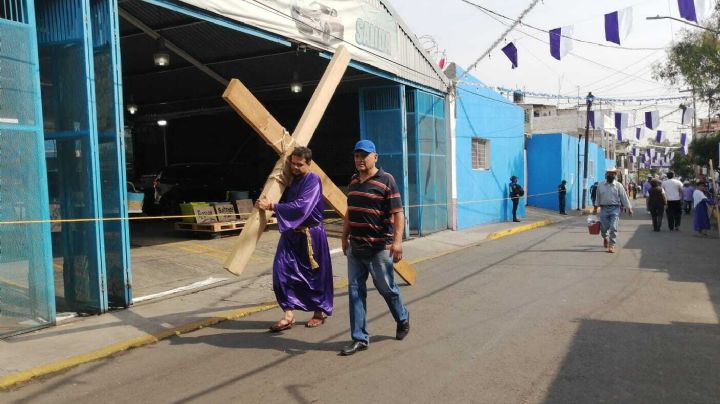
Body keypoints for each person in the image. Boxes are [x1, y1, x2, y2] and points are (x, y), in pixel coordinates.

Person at [340, 140, 409, 356]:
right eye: (356, 156)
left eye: (364, 156)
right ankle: (359, 338)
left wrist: (397, 242)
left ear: (375, 157)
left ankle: (402, 318)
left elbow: (398, 213)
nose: (360, 160)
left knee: (386, 288)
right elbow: (350, 212)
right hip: (356, 248)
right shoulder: (352, 181)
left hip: (379, 249)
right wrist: (344, 237)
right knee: (355, 292)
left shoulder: (387, 180)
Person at [256, 147, 333, 332]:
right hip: (291, 234)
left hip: (312, 235)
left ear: (309, 164)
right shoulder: (292, 180)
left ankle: (318, 312)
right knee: (281, 270)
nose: (295, 167)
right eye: (293, 164)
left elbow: (301, 206)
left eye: (300, 165)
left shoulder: (313, 180)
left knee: (315, 276)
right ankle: (288, 314)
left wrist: (272, 206)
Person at [593, 168, 633, 253]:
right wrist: (595, 208)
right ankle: (605, 238)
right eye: (609, 173)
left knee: (613, 227)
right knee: (603, 228)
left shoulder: (618, 185)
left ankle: (611, 245)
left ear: (615, 175)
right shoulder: (600, 185)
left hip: (615, 209)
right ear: (606, 174)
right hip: (604, 209)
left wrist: (629, 208)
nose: (610, 175)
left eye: (612, 174)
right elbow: (598, 197)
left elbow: (624, 197)